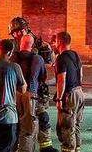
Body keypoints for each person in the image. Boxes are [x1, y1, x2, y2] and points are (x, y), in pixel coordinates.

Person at [10, 17, 57, 152]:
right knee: (19, 123)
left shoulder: (42, 46)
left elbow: (49, 67)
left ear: (23, 30)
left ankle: (45, 146)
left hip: (37, 91)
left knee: (42, 117)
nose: (14, 35)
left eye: (16, 32)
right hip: (18, 92)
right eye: (13, 33)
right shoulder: (12, 46)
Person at [14, 34, 50, 152]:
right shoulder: (38, 59)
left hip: (13, 96)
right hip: (30, 96)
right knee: (28, 129)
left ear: (21, 44)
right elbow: (43, 77)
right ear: (32, 45)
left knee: (14, 126)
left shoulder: (13, 58)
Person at [52, 31, 85, 152]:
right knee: (76, 125)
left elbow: (62, 80)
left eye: (55, 41)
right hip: (79, 92)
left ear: (60, 42)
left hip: (69, 95)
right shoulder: (75, 55)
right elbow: (81, 75)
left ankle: (68, 149)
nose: (54, 44)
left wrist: (59, 99)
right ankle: (77, 148)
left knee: (66, 126)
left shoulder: (61, 58)